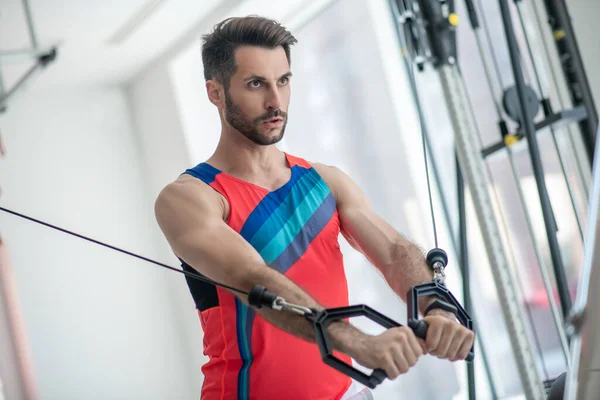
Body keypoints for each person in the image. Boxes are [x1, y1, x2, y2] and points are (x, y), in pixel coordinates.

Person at [154, 15, 475, 400]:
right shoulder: (191, 197)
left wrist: (436, 307)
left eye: (283, 81)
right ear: (216, 92)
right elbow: (250, 276)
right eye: (256, 84)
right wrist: (357, 342)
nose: (275, 101)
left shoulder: (324, 181)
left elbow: (393, 252)